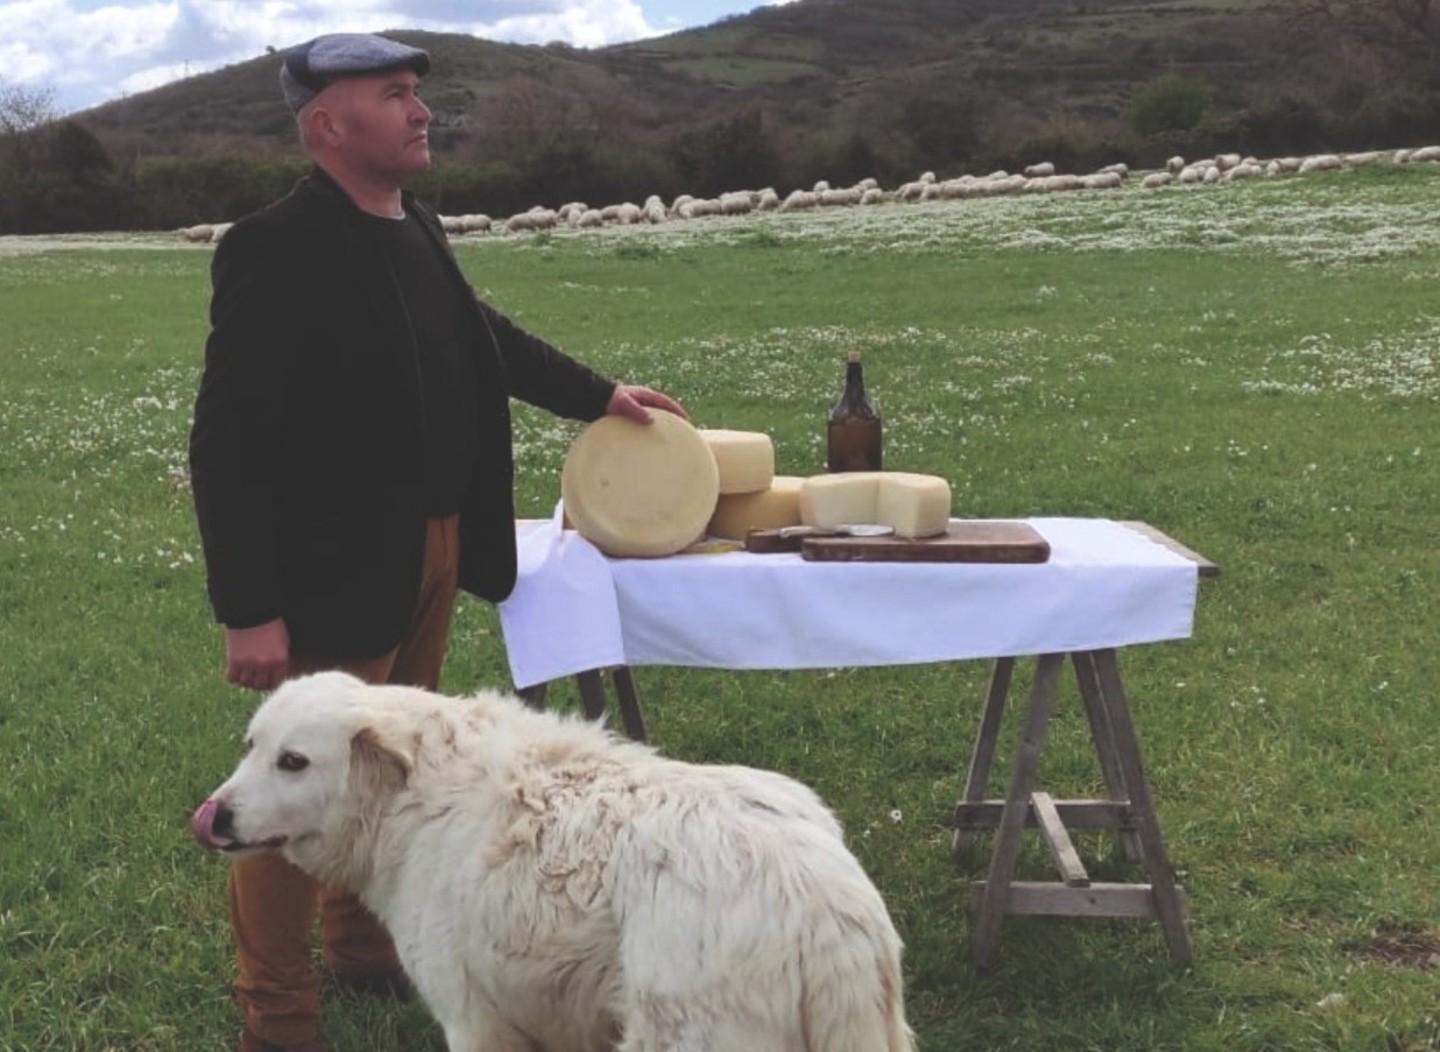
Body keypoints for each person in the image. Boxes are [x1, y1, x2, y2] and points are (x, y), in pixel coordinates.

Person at [188, 33, 685, 1052]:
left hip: (434, 550)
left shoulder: (415, 226)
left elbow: (481, 337)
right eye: (396, 95)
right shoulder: (272, 246)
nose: (422, 113)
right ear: (329, 124)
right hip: (331, 567)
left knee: (382, 777)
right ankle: (275, 1017)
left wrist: (599, 393)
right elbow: (226, 438)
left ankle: (364, 953)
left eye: (418, 93)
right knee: (291, 786)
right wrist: (248, 604)